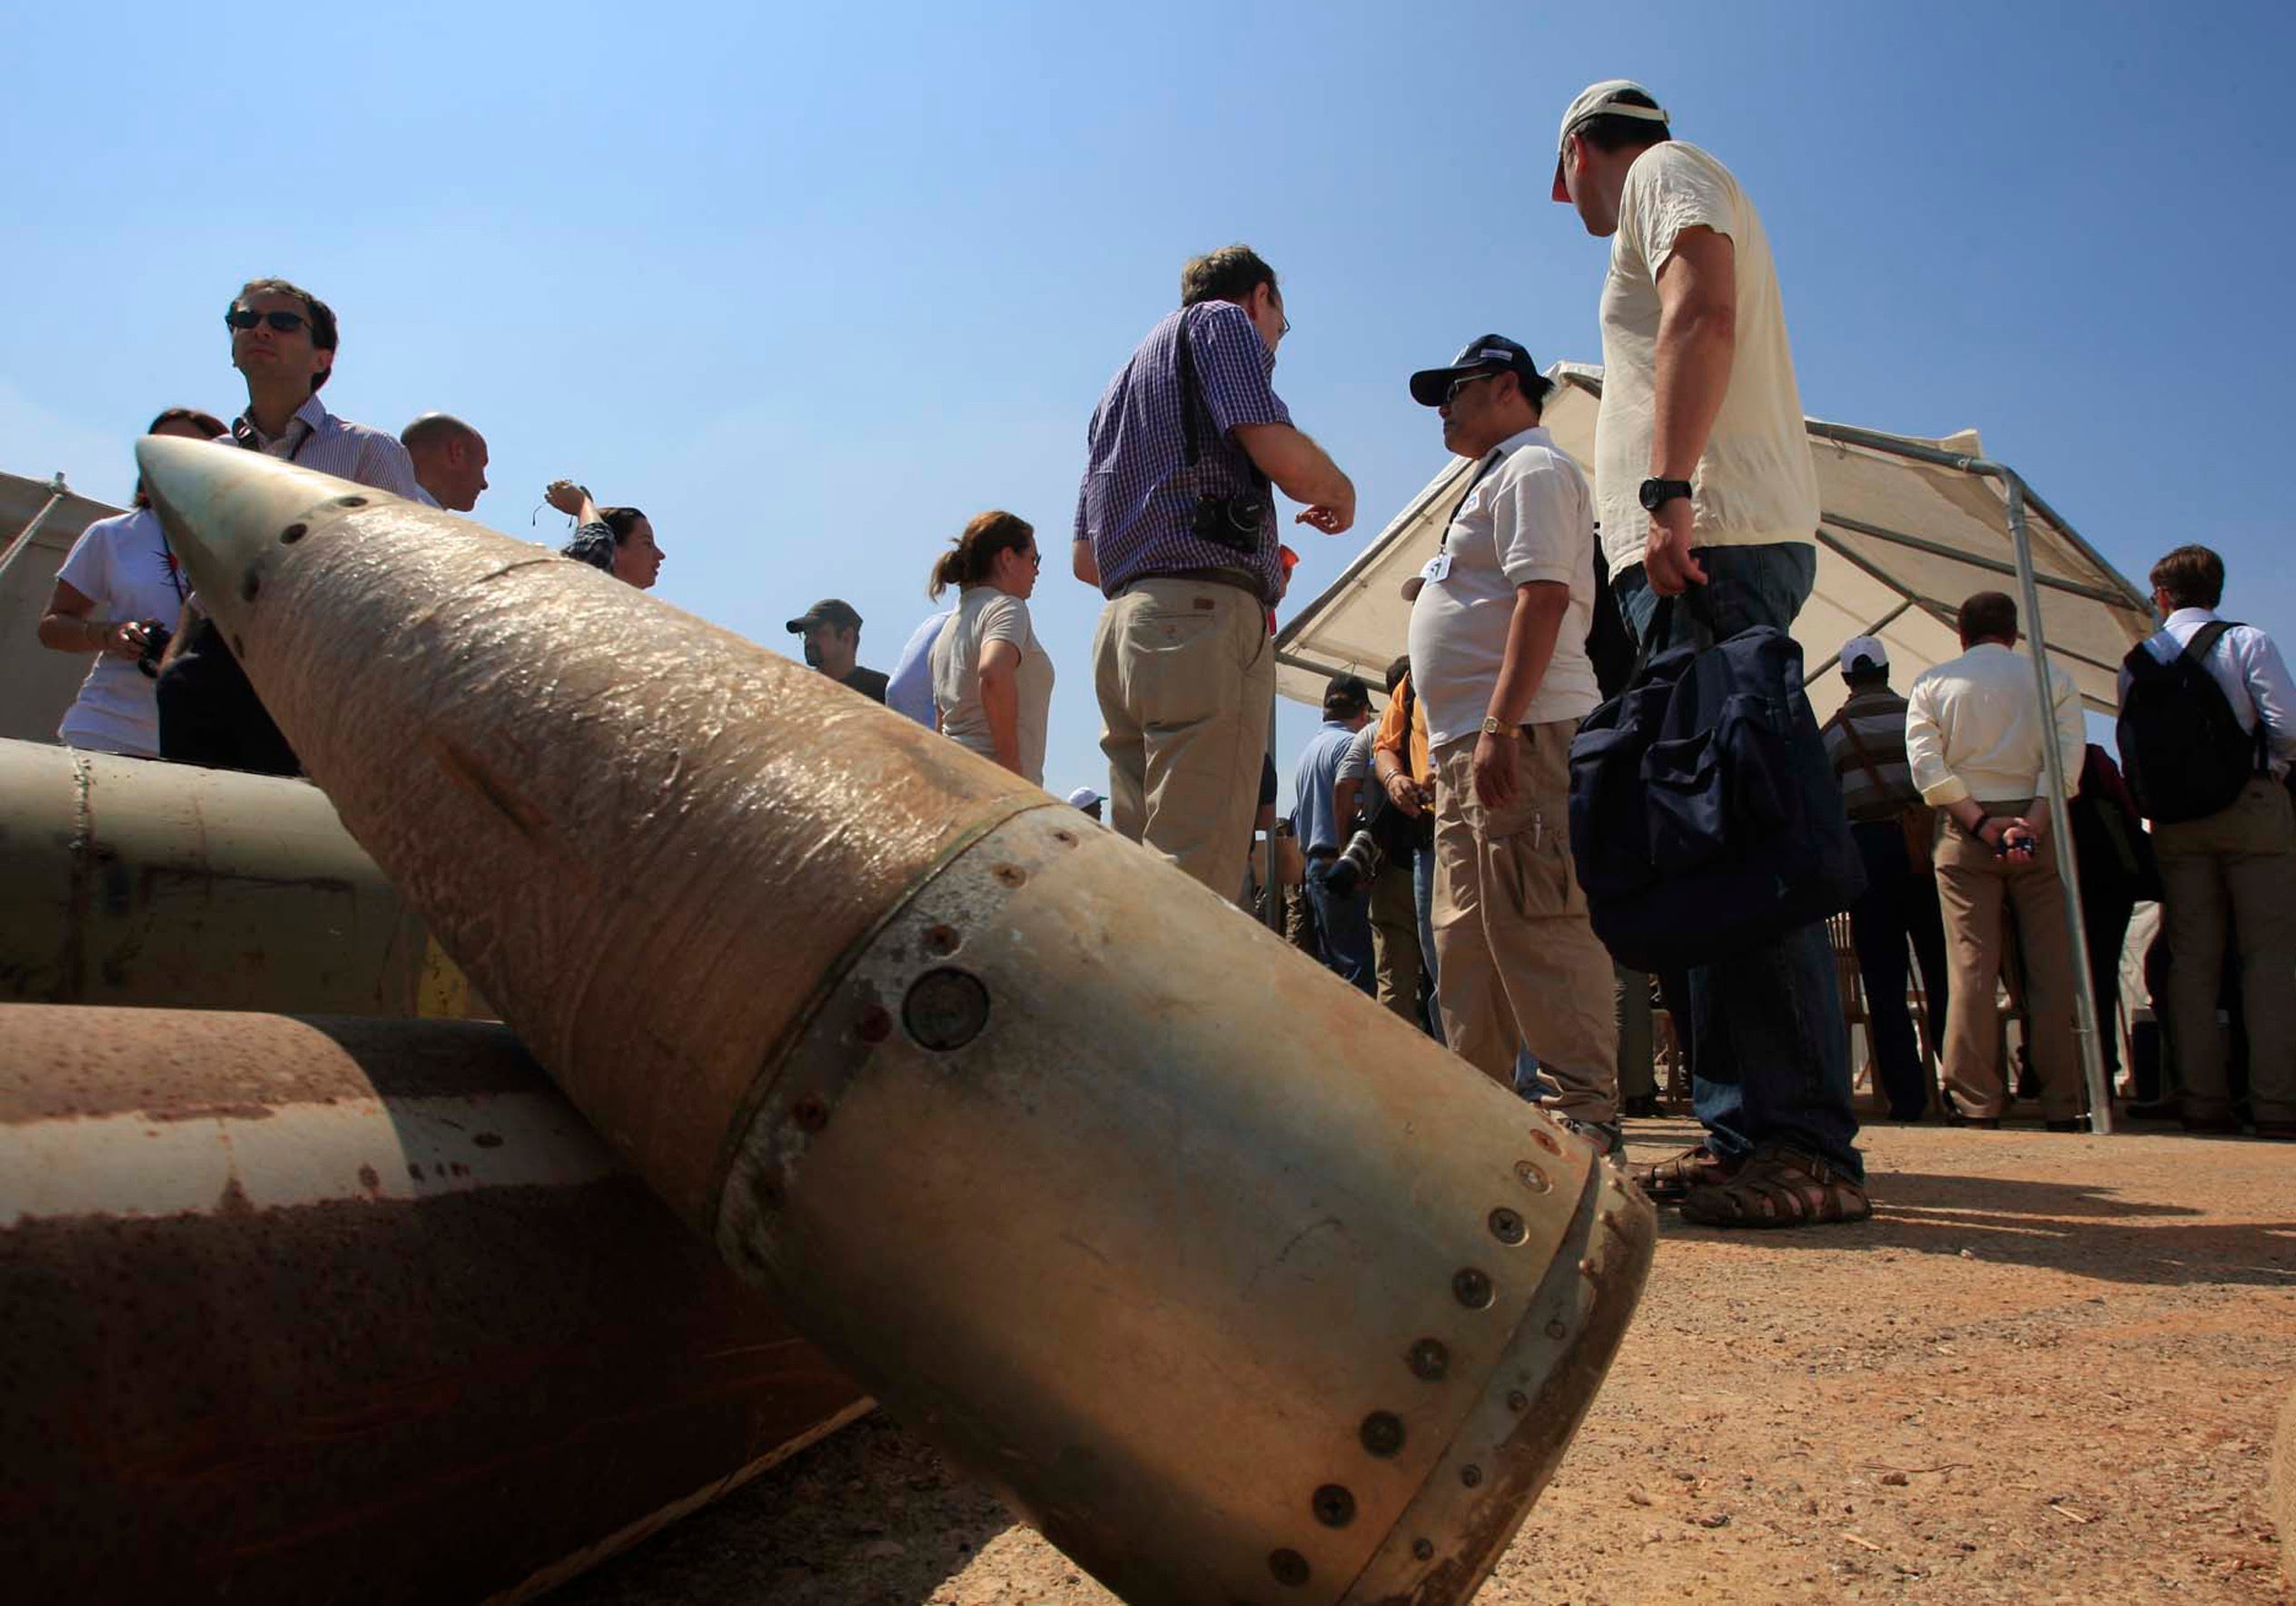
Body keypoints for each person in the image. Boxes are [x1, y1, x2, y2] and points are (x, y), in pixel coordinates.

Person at [1553, 78, 1866, 1224]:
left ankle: (1804, 1145)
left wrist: (1668, 492)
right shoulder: (1663, 178)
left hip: (1710, 536)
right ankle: (1748, 1131)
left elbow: (1700, 305)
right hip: (1698, 541)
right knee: (1707, 843)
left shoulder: (1656, 175)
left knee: (1742, 838)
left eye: (1562, 176)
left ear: (1573, 155)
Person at [1073, 244, 1355, 897]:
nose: (1274, 350)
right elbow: (1271, 441)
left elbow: (1085, 560)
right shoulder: (1220, 323)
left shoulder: (1116, 389)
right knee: (1196, 881)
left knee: (1142, 877)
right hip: (1197, 622)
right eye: (1278, 330)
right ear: (1260, 297)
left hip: (1121, 628)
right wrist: (1338, 490)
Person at [1400, 333, 1620, 1150]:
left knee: (1539, 925)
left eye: (1452, 392)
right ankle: (1481, 1124)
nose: (1442, 410)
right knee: (1465, 941)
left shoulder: (1532, 468)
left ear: (1502, 387)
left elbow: (1544, 598)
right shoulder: (1491, 480)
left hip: (1521, 730)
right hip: (1472, 744)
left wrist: (1498, 724)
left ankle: (1587, 1113)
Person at [156, 278, 429, 776]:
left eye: (282, 322)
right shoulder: (212, 460)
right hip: (211, 664)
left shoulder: (371, 450)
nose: (260, 330)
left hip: (316, 661)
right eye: (245, 320)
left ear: (321, 358)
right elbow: (203, 587)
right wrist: (174, 664)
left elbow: (403, 572)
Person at [2123, 544, 2295, 1137]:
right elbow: (2287, 725)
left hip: (2176, 822)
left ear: (2163, 597)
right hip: (2250, 806)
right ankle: (2274, 1103)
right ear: (2215, 592)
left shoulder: (2139, 659)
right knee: (2268, 957)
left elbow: (2132, 745)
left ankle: (2201, 1099)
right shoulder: (2248, 643)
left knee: (2192, 960)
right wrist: (2264, 766)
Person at [1903, 591, 2089, 1130]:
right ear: (2013, 633)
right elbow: (2065, 759)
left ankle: (1976, 1099)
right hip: (2041, 824)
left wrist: (1982, 824)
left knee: (1971, 967)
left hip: (1965, 828)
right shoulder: (2053, 679)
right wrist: (2030, 821)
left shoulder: (1932, 683)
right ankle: (2064, 1099)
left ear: (1962, 633)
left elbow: (1926, 767)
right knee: (2051, 967)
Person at [37, 407, 228, 758]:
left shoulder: (240, 543)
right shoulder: (112, 534)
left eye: (189, 450)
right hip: (107, 728)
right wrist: (109, 635)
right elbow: (52, 626)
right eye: (158, 449)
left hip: (203, 739)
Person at [1819, 636, 1951, 1121]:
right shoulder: (1918, 718)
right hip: (1926, 850)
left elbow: (1825, 804)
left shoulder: (1835, 732)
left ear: (1847, 677)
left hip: (1868, 854)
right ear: (1888, 670)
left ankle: (1906, 1096)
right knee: (1942, 970)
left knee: (1884, 980)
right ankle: (1957, 1087)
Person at [929, 511, 1054, 783]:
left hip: (957, 783)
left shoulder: (946, 633)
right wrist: (1010, 770)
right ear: (1008, 558)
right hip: (997, 786)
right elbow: (993, 674)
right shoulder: (1007, 608)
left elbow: (941, 723)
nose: (1037, 571)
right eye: (1033, 559)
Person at [1336, 658, 1424, 1024]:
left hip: (1390, 861)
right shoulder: (1431, 714)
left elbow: (1344, 785)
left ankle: (1400, 1063)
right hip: (1434, 852)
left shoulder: (1372, 735)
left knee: (1394, 973)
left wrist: (1350, 850)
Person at [1292, 675, 1377, 994]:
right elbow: (1355, 806)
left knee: (1331, 965)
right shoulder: (1348, 746)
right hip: (1341, 863)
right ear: (1364, 712)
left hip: (1314, 864)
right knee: (1357, 968)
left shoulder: (1309, 750)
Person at [545, 481, 664, 589]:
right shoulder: (578, 585)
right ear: (614, 548)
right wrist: (583, 505)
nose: (660, 555)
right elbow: (597, 546)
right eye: (647, 543)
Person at [787, 599, 887, 703]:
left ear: (846, 637)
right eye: (806, 634)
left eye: (818, 632)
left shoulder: (880, 690)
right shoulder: (795, 693)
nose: (809, 641)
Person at [401, 413, 490, 512]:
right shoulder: (417, 521)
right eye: (481, 466)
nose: (484, 484)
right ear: (457, 452)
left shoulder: (385, 508)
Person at [886, 607, 955, 729]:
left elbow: (899, 690)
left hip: (908, 736)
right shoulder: (988, 625)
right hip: (945, 740)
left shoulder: (935, 624)